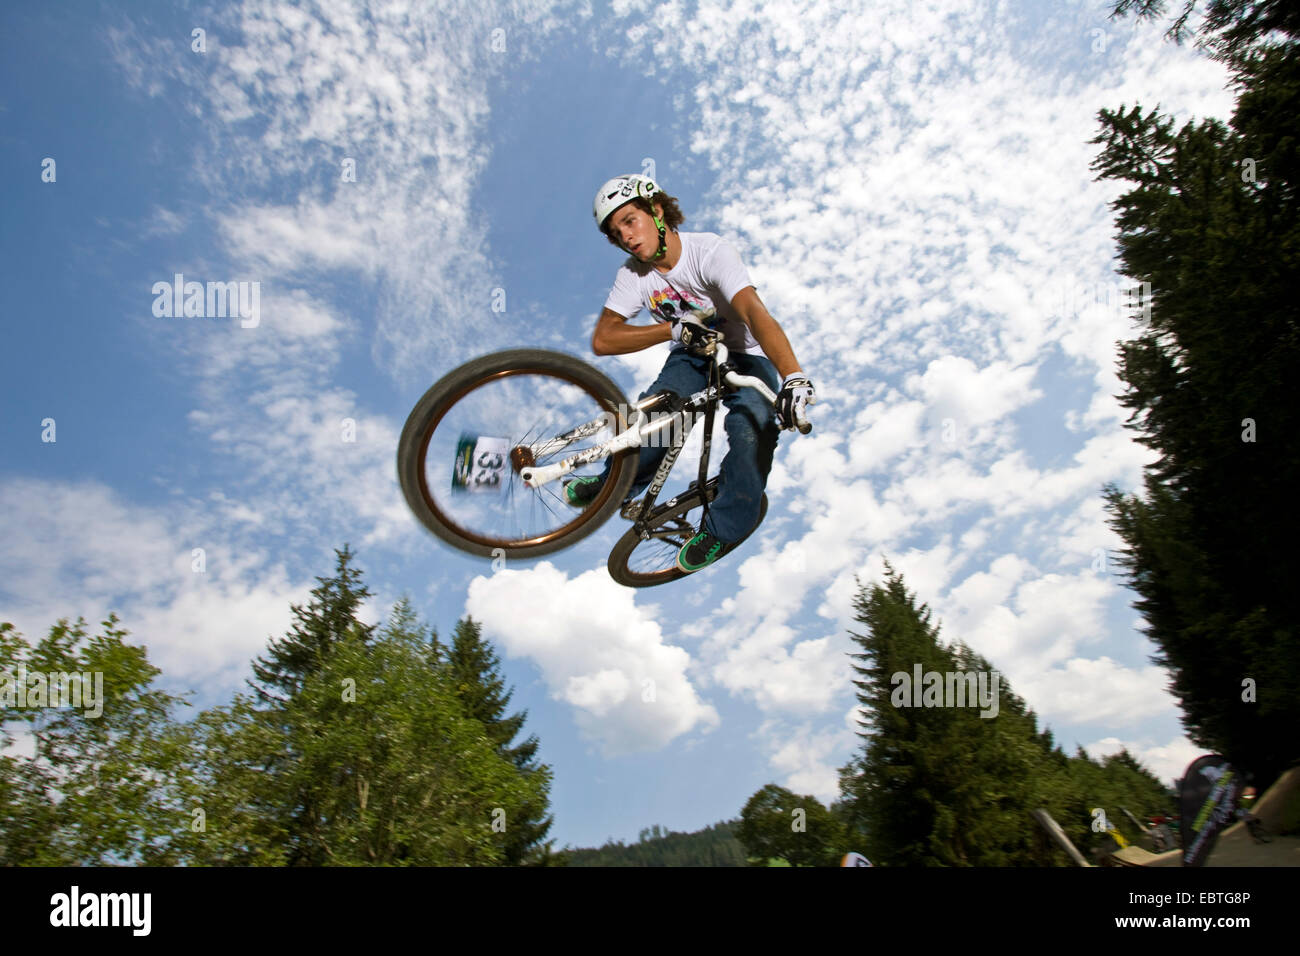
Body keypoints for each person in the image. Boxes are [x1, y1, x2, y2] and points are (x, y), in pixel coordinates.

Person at [565, 173, 815, 573]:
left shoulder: (709, 252)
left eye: (631, 221)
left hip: (745, 355)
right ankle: (614, 484)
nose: (626, 237)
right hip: (691, 357)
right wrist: (671, 329)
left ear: (657, 210)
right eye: (616, 233)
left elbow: (753, 312)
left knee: (753, 428)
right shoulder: (633, 276)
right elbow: (604, 339)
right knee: (656, 417)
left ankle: (724, 528)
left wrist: (794, 376)